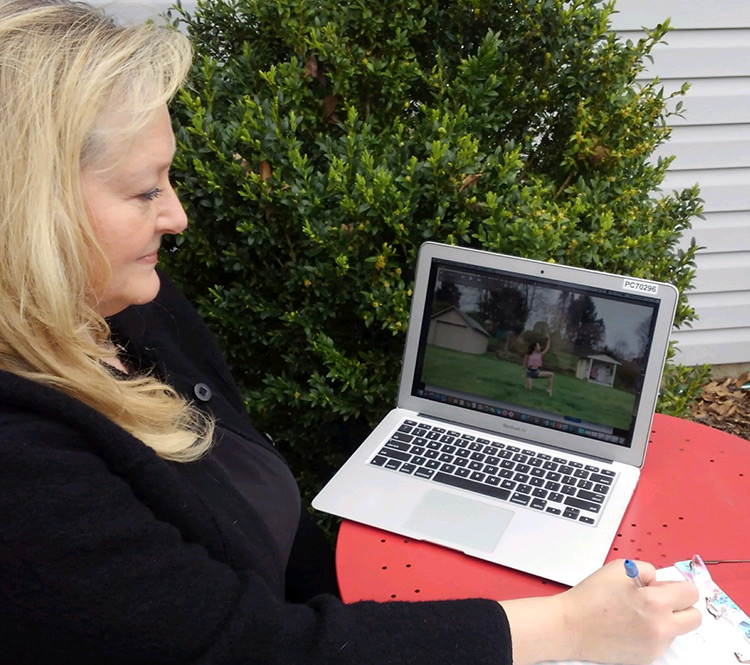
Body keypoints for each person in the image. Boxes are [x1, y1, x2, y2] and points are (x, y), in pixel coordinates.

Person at [0, 1, 701, 663]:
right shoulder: (23, 467)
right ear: (33, 209)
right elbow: (246, 646)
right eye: (145, 189)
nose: (177, 216)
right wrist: (569, 626)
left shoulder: (124, 303)